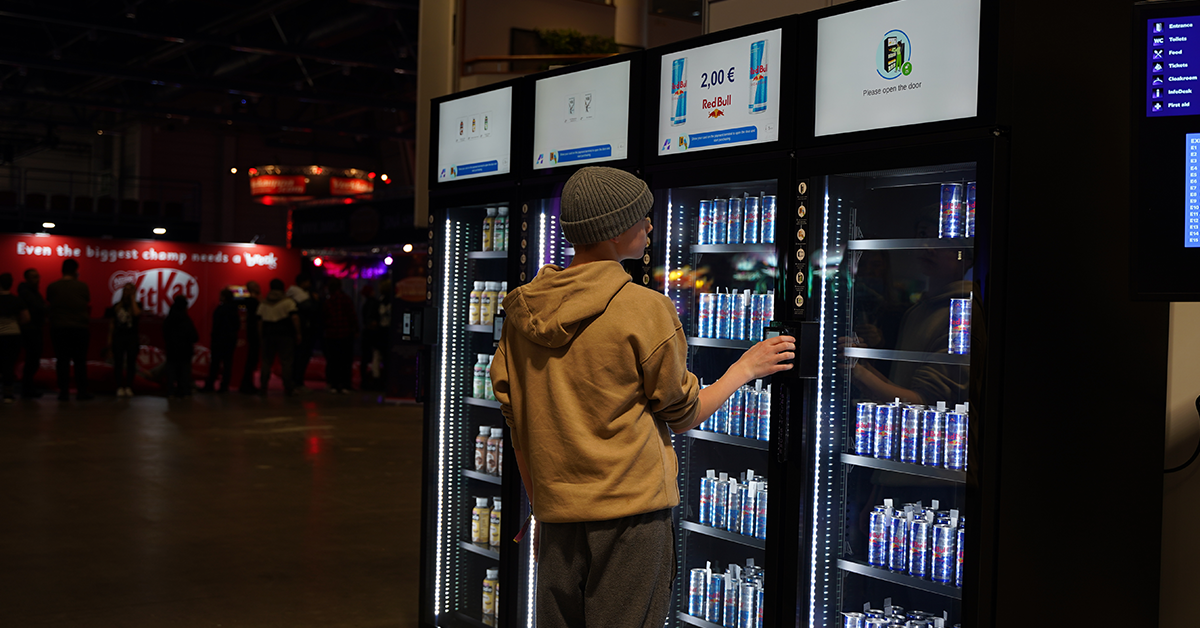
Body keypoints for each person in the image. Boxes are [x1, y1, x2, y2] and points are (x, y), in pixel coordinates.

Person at [489, 167, 794, 628]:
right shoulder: (644, 308)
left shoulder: (522, 311)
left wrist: (543, 508)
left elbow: (519, 426)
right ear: (614, 232)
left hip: (556, 519)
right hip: (631, 522)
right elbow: (685, 413)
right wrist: (744, 369)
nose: (650, 226)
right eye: (642, 218)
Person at [46, 258, 91, 401]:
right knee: (80, 361)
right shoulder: (82, 286)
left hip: (59, 327)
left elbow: (50, 302)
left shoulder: (53, 287)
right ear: (76, 270)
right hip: (79, 328)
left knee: (62, 361)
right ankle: (81, 391)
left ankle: (63, 391)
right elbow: (86, 301)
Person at [258, 278, 301, 396]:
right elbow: (295, 318)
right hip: (285, 335)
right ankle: (288, 387)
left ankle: (263, 386)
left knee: (266, 361)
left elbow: (260, 321)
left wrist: (261, 335)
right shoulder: (288, 302)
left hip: (268, 335)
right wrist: (298, 333)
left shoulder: (264, 303)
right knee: (286, 362)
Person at [105, 283, 142, 397]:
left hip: (132, 337)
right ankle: (119, 386)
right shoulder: (116, 306)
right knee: (118, 363)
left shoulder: (138, 305)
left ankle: (129, 386)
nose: (127, 292)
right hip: (119, 337)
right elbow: (112, 325)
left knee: (131, 363)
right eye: (126, 290)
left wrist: (132, 299)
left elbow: (136, 313)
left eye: (130, 290)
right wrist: (109, 341)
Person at [321, 277, 357, 393]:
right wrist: (355, 329)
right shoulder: (346, 299)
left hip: (331, 335)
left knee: (333, 361)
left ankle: (333, 384)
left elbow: (324, 318)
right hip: (345, 334)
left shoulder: (328, 301)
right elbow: (352, 315)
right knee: (345, 361)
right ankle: (345, 384)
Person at [0, 273, 30, 403]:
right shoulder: (16, 300)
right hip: (13, 335)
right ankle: (8, 395)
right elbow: (26, 318)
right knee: (8, 365)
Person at [203, 288, 240, 393]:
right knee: (228, 363)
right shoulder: (234, 309)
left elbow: (216, 325)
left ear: (223, 297)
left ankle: (210, 385)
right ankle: (224, 386)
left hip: (218, 340)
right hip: (230, 340)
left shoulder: (220, 309)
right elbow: (237, 325)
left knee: (215, 363)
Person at [17, 268, 46, 398]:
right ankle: (27, 388)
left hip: (32, 329)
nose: (37, 279)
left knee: (32, 360)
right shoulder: (28, 293)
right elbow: (39, 307)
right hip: (31, 329)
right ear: (27, 278)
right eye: (34, 277)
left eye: (37, 276)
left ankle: (27, 388)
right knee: (32, 359)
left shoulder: (29, 292)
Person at [162, 295, 198, 397]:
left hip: (172, 350)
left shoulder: (169, 318)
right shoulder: (186, 320)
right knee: (184, 372)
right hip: (185, 351)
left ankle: (171, 391)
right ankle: (184, 391)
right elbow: (194, 336)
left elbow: (165, 333)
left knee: (171, 371)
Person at [287, 273, 318, 391]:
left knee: (299, 357)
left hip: (299, 331)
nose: (310, 284)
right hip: (302, 331)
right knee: (301, 357)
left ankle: (295, 381)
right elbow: (311, 308)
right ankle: (297, 381)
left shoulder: (293, 293)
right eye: (308, 282)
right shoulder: (300, 294)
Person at [239, 280, 261, 394]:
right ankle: (247, 384)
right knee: (251, 360)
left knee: (251, 360)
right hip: (254, 334)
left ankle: (246, 384)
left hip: (251, 333)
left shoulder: (246, 301)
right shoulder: (254, 302)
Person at [359, 283, 381, 390]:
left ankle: (365, 381)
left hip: (367, 334)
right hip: (374, 335)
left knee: (366, 359)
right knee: (375, 357)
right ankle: (375, 381)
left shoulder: (366, 304)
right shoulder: (375, 303)